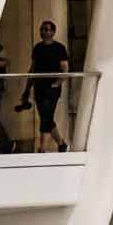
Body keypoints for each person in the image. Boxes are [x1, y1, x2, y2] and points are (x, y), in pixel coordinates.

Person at [27, 23, 72, 151]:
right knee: (46, 117)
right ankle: (62, 144)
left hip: (52, 88)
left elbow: (65, 69)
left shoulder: (59, 48)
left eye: (47, 30)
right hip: (39, 87)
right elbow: (33, 68)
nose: (44, 32)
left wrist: (57, 83)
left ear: (53, 32)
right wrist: (27, 87)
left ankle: (42, 148)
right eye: (42, 29)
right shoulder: (37, 48)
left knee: (46, 115)